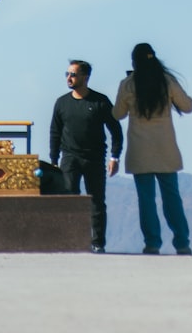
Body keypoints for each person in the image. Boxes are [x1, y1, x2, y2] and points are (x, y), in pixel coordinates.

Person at [114, 43, 192, 255]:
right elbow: (188, 106)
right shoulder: (167, 81)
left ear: (134, 62)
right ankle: (182, 242)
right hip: (165, 148)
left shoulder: (128, 84)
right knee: (172, 198)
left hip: (140, 150)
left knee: (146, 199)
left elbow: (118, 114)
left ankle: (152, 243)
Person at [49, 59, 123, 254]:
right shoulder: (62, 103)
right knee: (69, 199)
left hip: (94, 157)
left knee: (96, 201)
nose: (69, 78)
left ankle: (98, 243)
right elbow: (55, 131)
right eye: (67, 74)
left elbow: (116, 130)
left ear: (85, 77)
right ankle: (69, 240)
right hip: (70, 157)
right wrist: (54, 159)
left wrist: (115, 157)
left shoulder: (100, 101)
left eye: (73, 74)